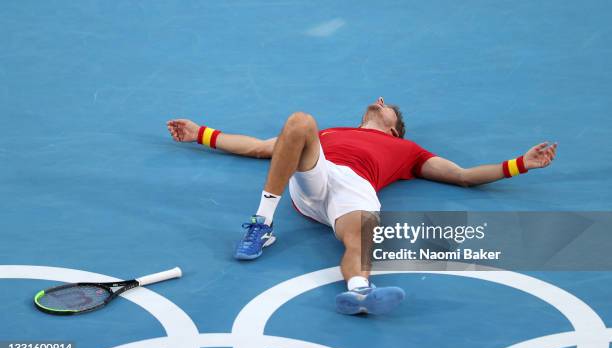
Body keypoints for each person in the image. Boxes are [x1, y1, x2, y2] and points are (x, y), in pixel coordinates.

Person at [167, 97, 557, 315]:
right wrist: (200, 133)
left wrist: (520, 164)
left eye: (389, 107)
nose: (382, 101)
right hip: (318, 172)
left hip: (355, 191)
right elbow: (256, 147)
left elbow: (463, 175)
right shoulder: (329, 132)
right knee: (300, 121)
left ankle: (359, 292)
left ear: (394, 128)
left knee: (361, 239)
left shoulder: (409, 151)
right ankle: (261, 223)